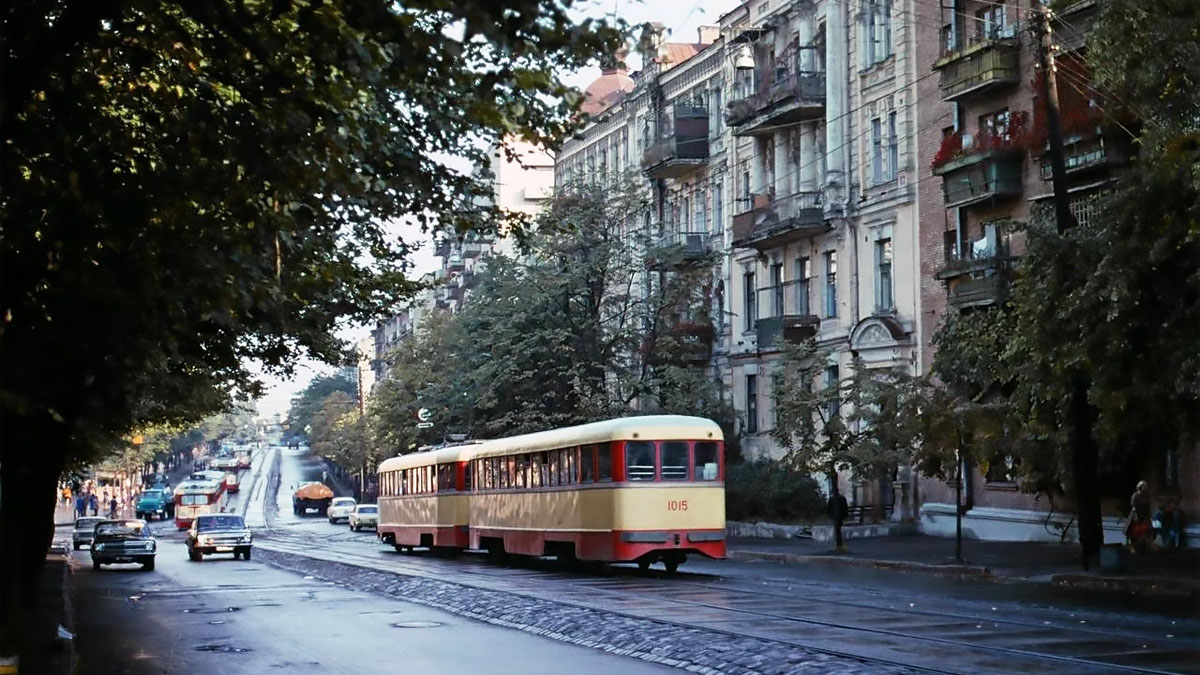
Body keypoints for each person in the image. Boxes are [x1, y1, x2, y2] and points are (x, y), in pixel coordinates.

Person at [1126, 480, 1155, 553]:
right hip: (1136, 514)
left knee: (1150, 529)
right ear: (1140, 487)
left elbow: (1148, 507)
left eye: (1146, 487)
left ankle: (1150, 545)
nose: (1145, 488)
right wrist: (1136, 516)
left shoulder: (1147, 496)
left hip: (1145, 515)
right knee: (1131, 530)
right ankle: (1132, 546)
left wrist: (1148, 516)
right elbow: (1133, 507)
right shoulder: (1135, 495)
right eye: (1143, 487)